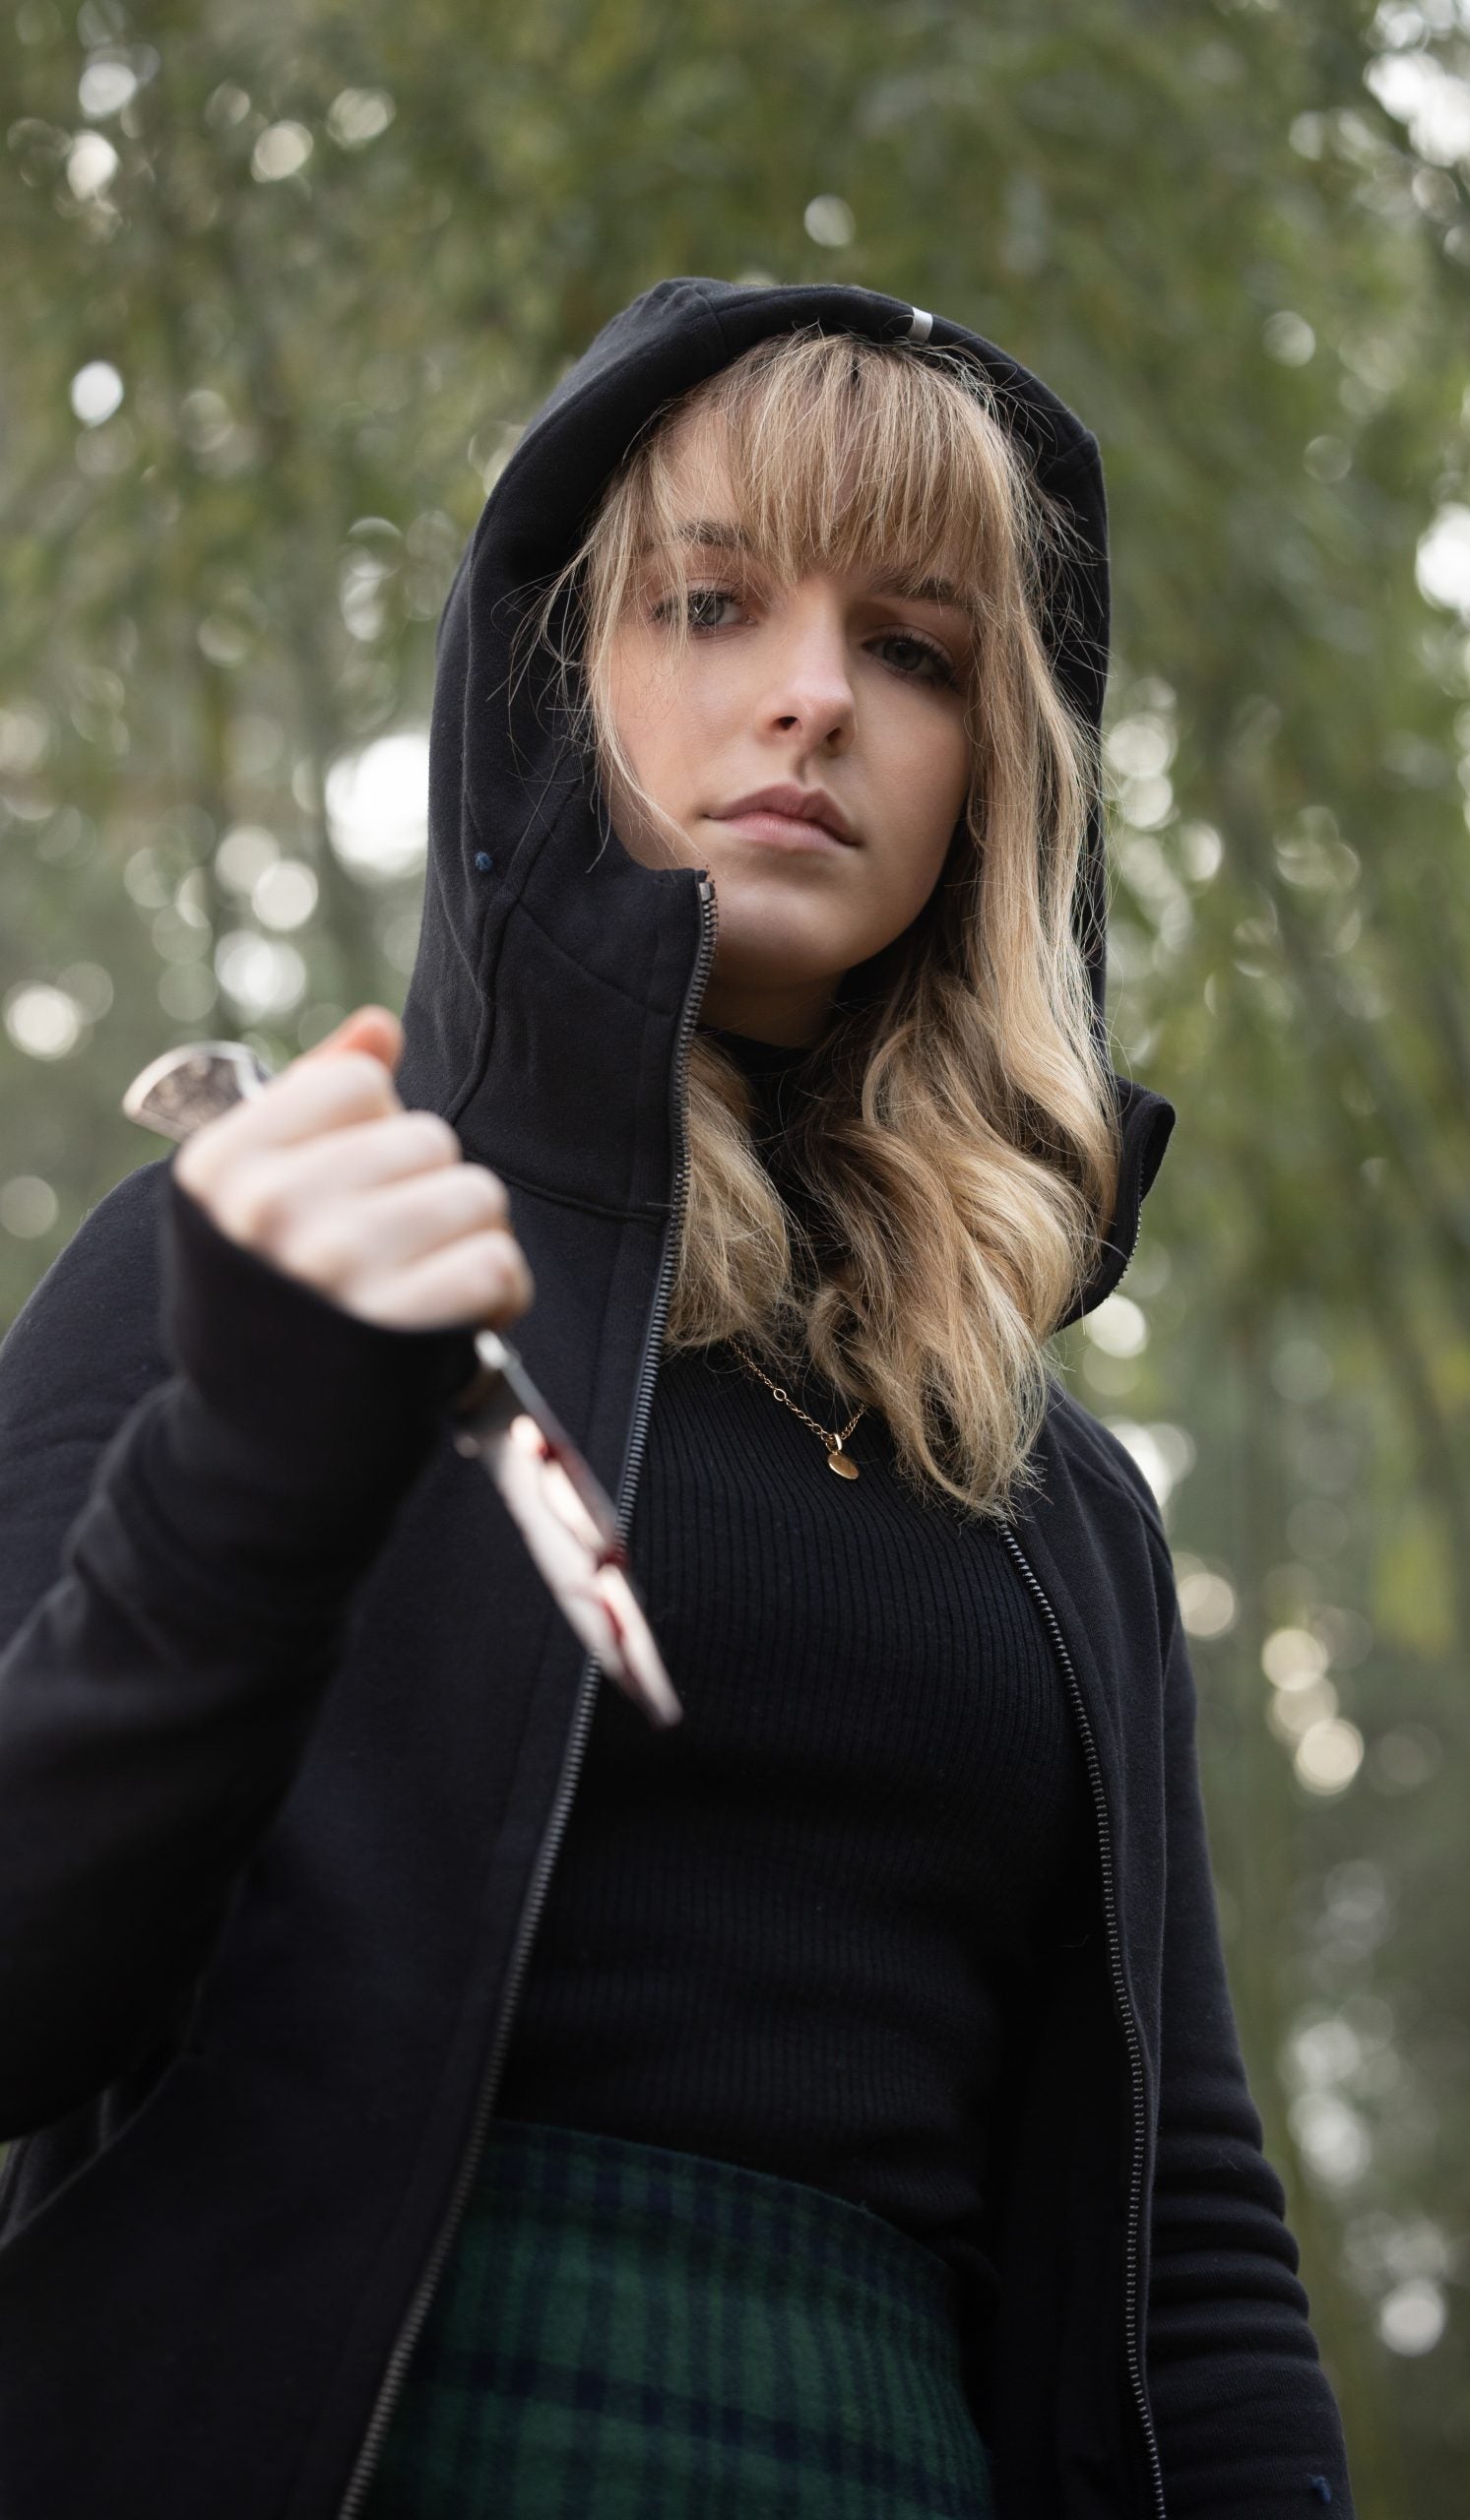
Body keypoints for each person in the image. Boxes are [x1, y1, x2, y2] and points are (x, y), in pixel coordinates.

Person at [0, 279, 1353, 2518]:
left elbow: (1184, 2252)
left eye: (913, 650)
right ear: (562, 678)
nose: (812, 694)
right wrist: (248, 1461)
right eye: (713, 604)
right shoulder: (233, 1265)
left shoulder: (1062, 1507)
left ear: (992, 774)